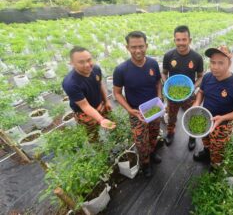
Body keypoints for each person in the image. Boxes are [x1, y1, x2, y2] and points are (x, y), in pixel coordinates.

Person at [113, 31, 162, 178]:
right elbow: (117, 93)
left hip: (154, 108)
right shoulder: (121, 70)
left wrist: (159, 97)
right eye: (133, 47)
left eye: (141, 46)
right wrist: (130, 110)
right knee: (140, 141)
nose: (138, 50)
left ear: (146, 46)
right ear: (127, 47)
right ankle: (145, 163)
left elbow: (158, 82)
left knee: (154, 133)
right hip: (136, 112)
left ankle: (152, 152)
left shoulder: (153, 64)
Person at [192, 45, 233, 168]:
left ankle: (215, 164)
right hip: (205, 118)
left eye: (220, 63)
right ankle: (206, 152)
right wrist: (197, 104)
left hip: (222, 125)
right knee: (205, 139)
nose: (215, 67)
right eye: (212, 62)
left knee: (218, 147)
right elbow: (201, 92)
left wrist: (223, 118)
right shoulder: (207, 77)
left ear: (229, 63)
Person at [162, 25, 204, 150]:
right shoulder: (169, 56)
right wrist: (166, 83)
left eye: (184, 39)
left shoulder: (196, 58)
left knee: (192, 115)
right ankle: (170, 133)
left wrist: (193, 87)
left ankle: (192, 136)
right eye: (178, 40)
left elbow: (201, 77)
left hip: (189, 94)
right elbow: (164, 73)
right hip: (172, 93)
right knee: (171, 115)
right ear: (174, 40)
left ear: (189, 40)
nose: (181, 43)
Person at [62, 46, 116, 139]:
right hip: (85, 114)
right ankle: (99, 150)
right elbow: (85, 106)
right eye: (81, 62)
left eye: (89, 60)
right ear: (72, 63)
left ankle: (116, 139)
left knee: (112, 124)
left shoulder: (96, 69)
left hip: (100, 104)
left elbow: (100, 85)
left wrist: (106, 101)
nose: (87, 64)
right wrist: (100, 119)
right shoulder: (70, 83)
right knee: (93, 136)